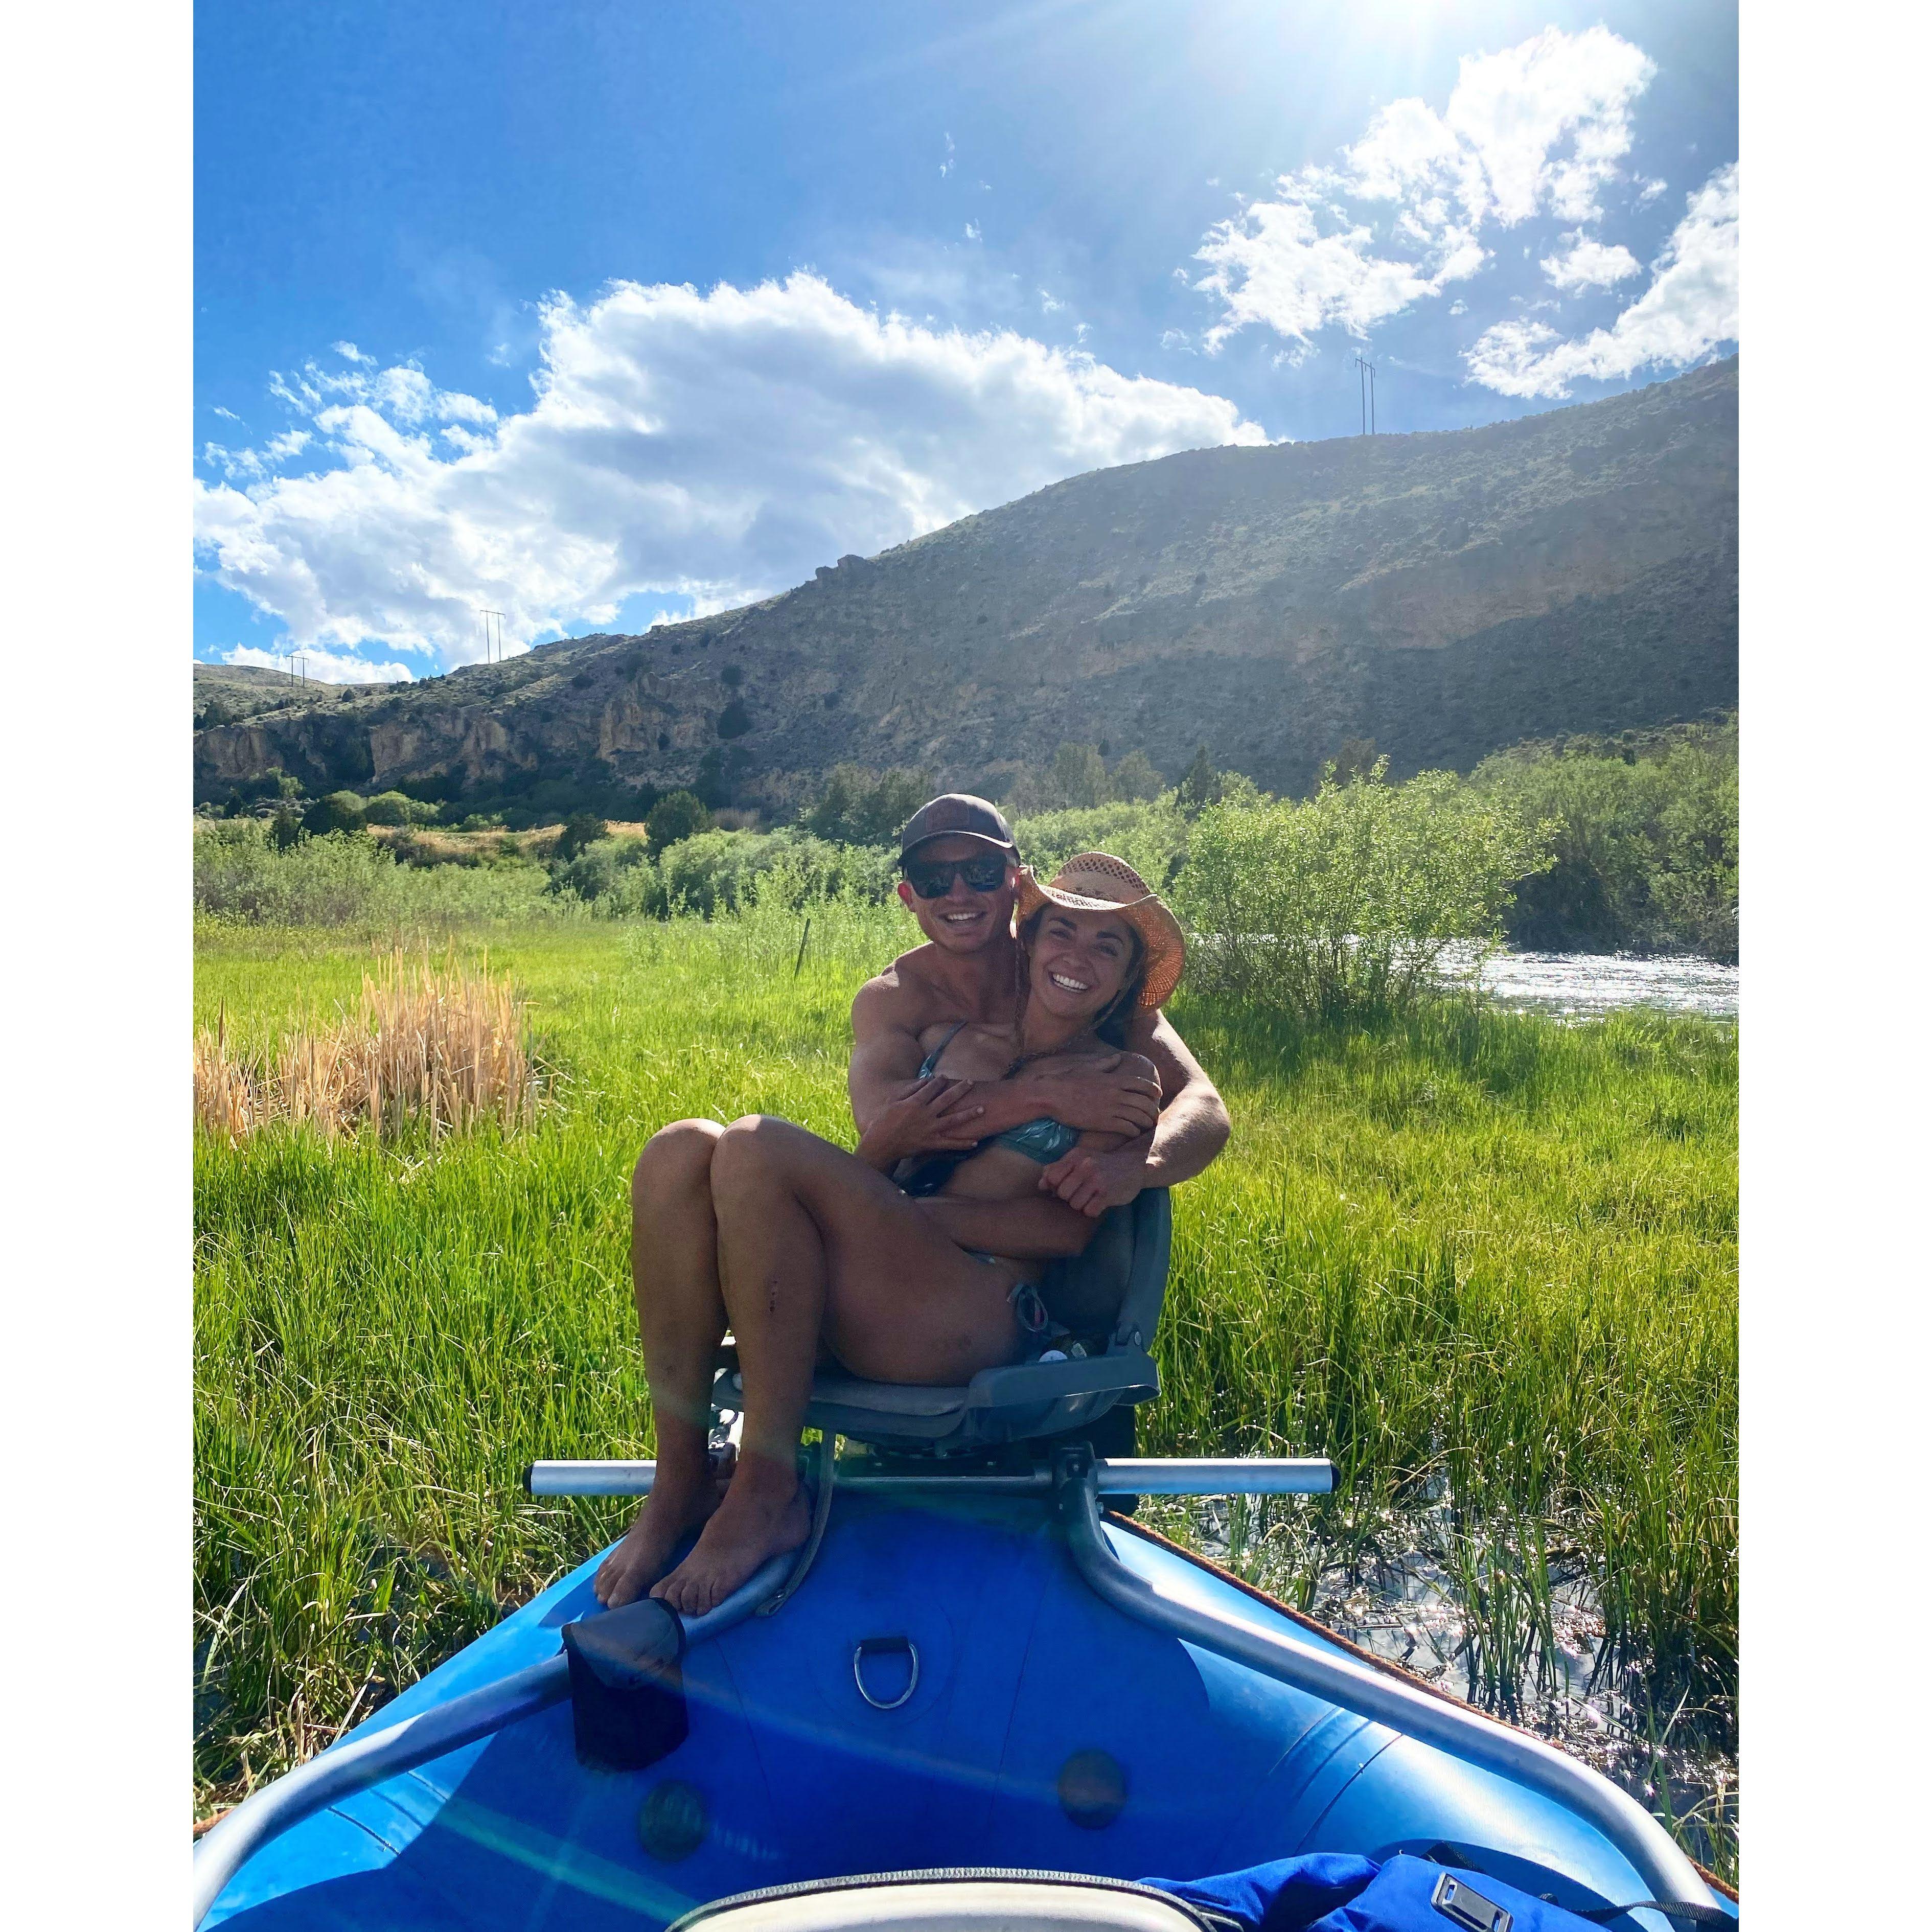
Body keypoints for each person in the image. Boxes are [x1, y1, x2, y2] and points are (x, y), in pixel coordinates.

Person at [592, 796, 1230, 1611]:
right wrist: (1033, 1097)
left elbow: (1180, 1128)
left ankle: (765, 1492)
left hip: (980, 1304)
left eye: (981, 872)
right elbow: (881, 1153)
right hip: (897, 1273)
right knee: (680, 1147)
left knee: (755, 1142)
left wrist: (1133, 1168)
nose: (958, 891)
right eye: (935, 876)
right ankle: (679, 1480)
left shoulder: (1117, 1057)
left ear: (1014, 887)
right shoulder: (927, 1020)